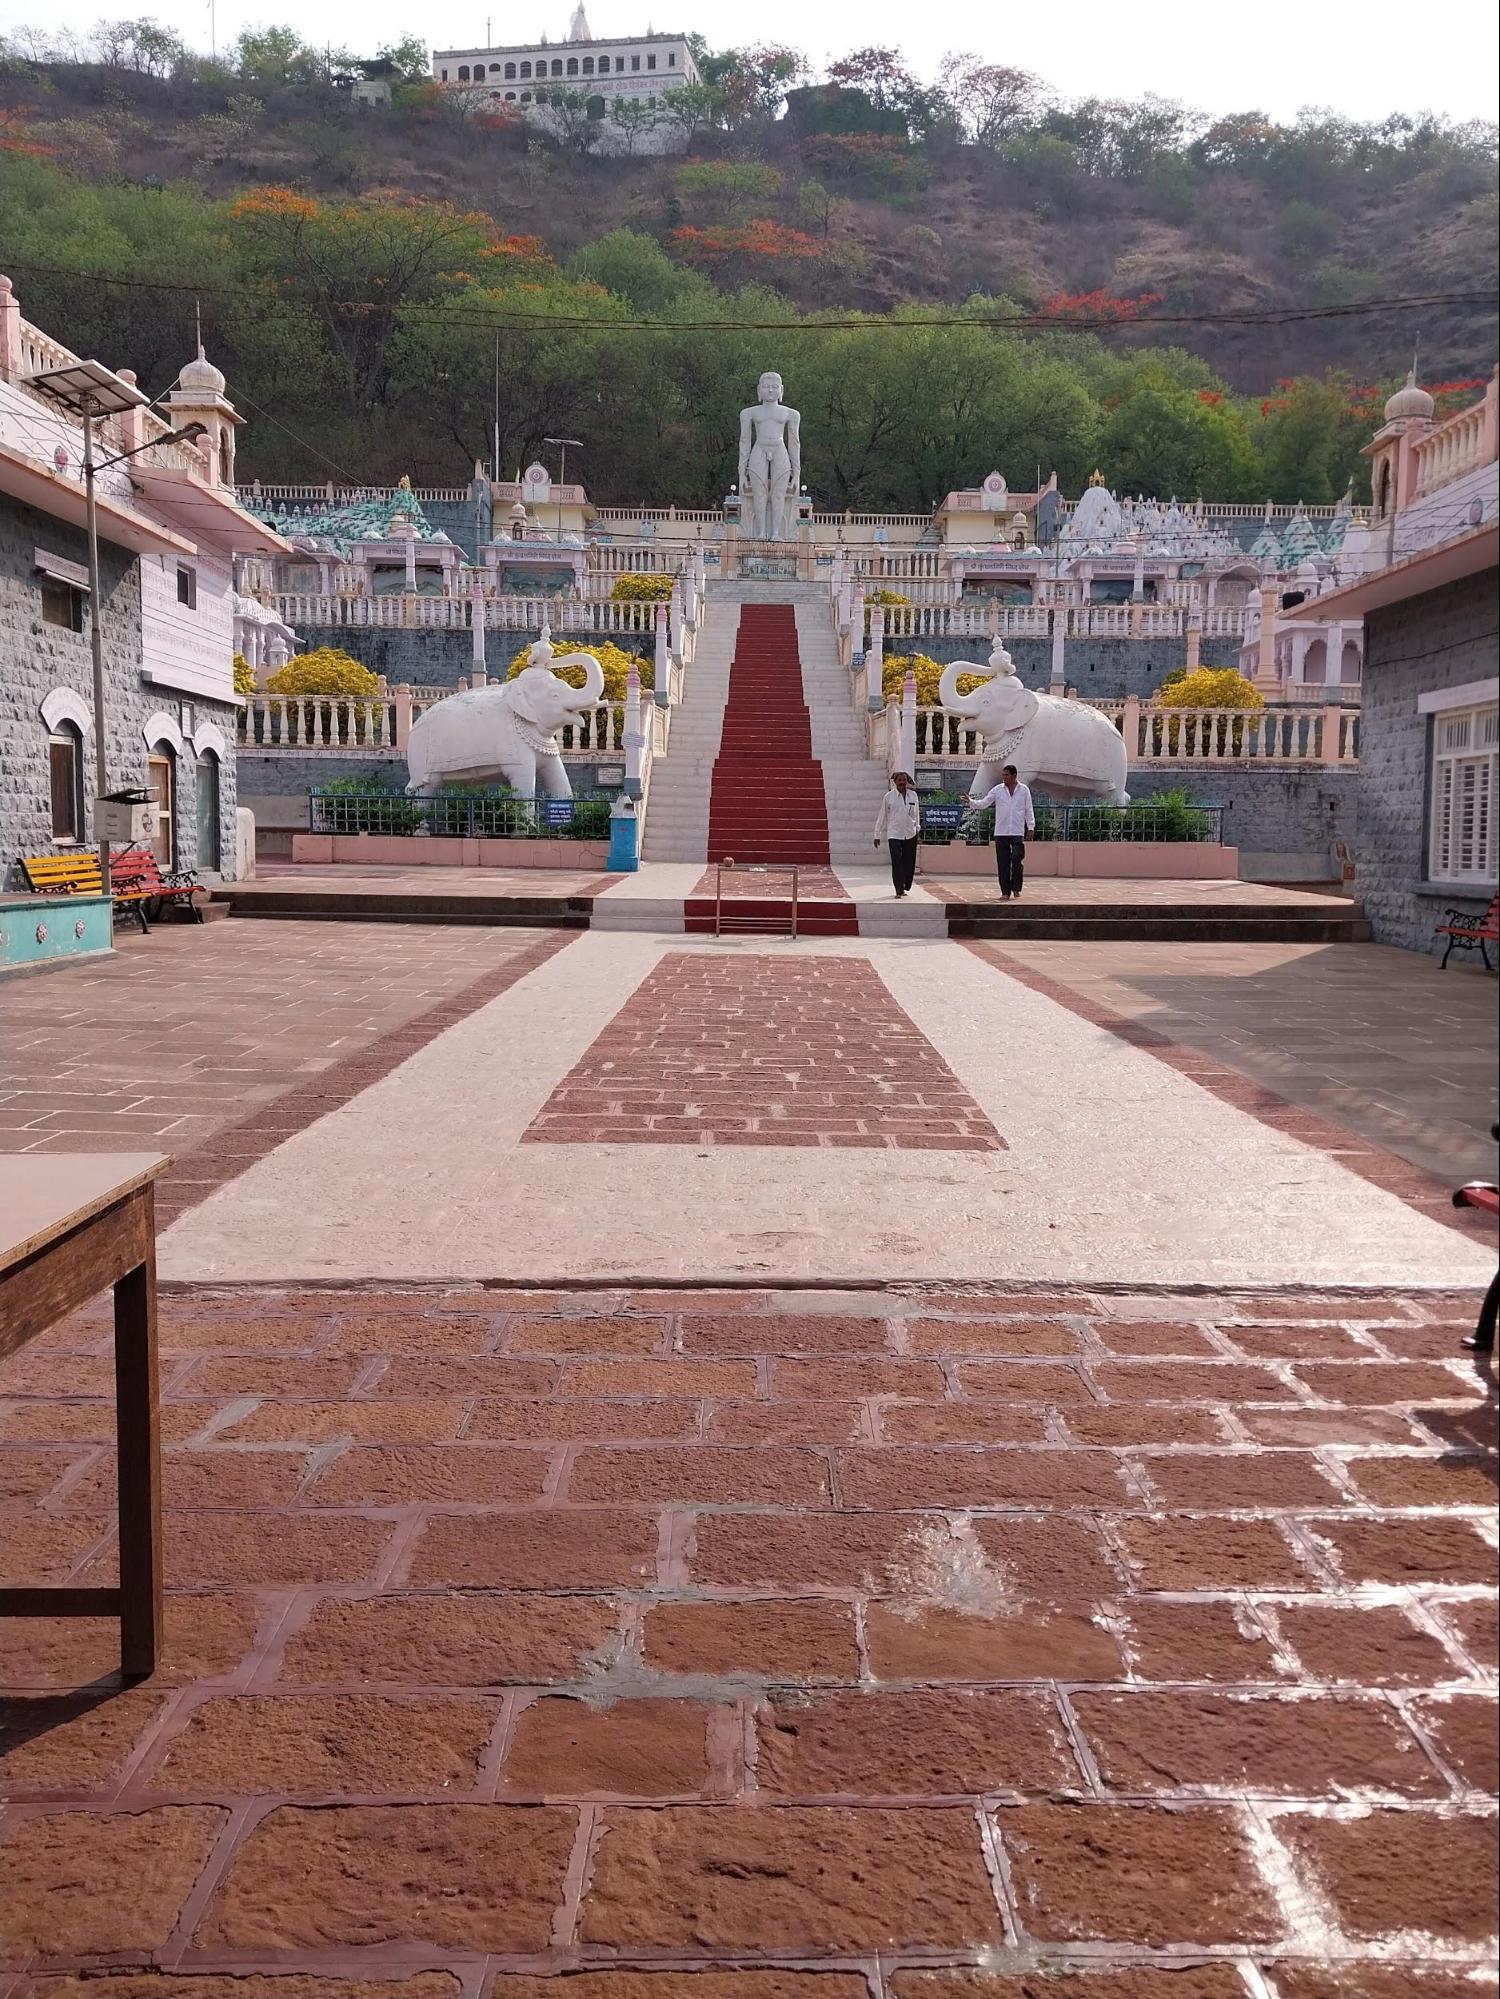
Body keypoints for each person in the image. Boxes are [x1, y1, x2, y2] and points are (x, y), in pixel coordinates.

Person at [969, 764, 1035, 900]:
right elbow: (984, 803)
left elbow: (1028, 809)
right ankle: (1005, 891)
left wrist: (1031, 827)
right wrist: (971, 802)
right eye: (1003, 775)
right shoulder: (997, 790)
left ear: (1014, 776)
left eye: (1006, 775)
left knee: (1017, 859)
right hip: (1001, 832)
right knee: (1003, 863)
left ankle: (1016, 888)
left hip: (1017, 831)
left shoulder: (1024, 790)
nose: (1004, 777)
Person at [873, 770, 921, 897]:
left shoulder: (913, 796)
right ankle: (898, 889)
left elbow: (916, 813)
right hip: (894, 834)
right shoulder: (888, 797)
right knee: (896, 862)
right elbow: (882, 815)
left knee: (909, 862)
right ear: (895, 782)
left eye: (904, 780)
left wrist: (917, 828)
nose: (902, 782)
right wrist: (877, 834)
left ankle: (906, 885)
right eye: (899, 780)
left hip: (910, 833)